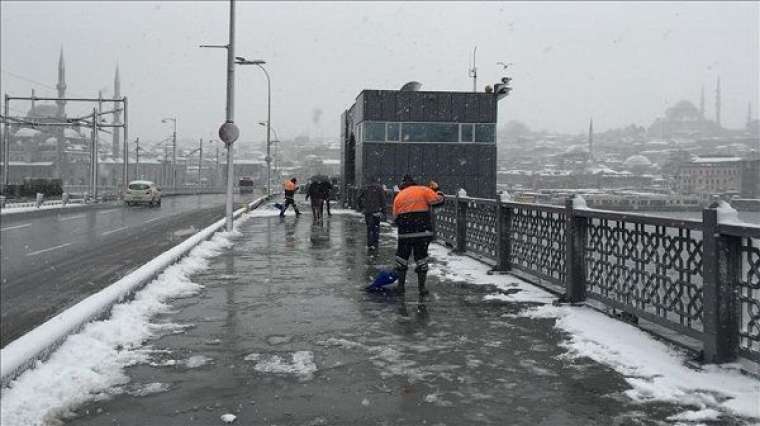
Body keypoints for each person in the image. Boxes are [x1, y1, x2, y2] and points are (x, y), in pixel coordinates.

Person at [392, 175, 444, 296]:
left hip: (405, 233)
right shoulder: (423, 190)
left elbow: (394, 217)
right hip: (422, 231)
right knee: (421, 258)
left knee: (402, 259)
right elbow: (438, 201)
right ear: (414, 183)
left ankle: (400, 287)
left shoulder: (399, 196)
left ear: (402, 186)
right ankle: (422, 288)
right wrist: (438, 190)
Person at [358, 175, 386, 251]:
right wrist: (383, 211)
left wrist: (362, 208)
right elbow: (383, 200)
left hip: (368, 211)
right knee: (376, 228)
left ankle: (369, 244)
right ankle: (375, 244)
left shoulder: (365, 187)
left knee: (369, 228)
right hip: (376, 211)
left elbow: (359, 198)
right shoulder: (379, 188)